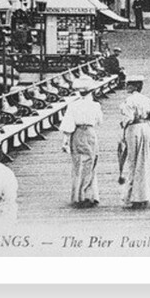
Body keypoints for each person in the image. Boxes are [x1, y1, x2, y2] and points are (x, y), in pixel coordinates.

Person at [117, 75, 150, 209]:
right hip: (147, 129)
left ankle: (133, 197)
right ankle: (144, 196)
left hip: (134, 130)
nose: (127, 86)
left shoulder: (128, 101)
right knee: (145, 162)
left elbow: (128, 118)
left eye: (129, 84)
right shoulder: (147, 100)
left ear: (134, 86)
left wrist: (122, 132)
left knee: (133, 163)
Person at [57, 75, 104, 208]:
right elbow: (99, 121)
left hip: (76, 134)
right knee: (91, 163)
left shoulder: (73, 105)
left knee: (77, 164)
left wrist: (65, 142)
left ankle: (77, 195)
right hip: (89, 133)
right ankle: (89, 194)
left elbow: (68, 124)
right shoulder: (95, 105)